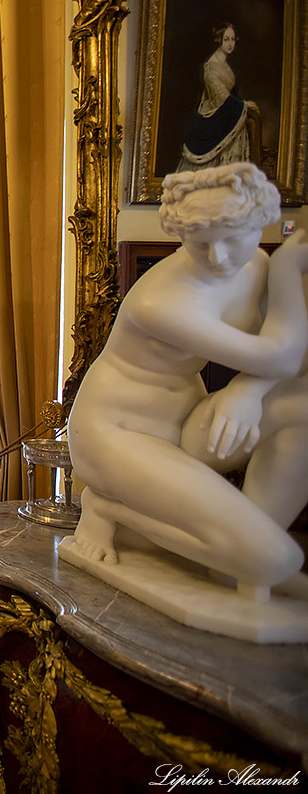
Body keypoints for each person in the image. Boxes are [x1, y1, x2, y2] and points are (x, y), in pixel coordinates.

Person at [66, 162, 308, 598]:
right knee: (279, 560)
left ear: (259, 223)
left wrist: (245, 391)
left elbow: (292, 363)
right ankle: (107, 507)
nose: (219, 258)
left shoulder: (254, 264)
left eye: (233, 238)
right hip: (115, 434)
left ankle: (240, 558)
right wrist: (289, 269)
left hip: (185, 421)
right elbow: (282, 356)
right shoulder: (163, 302)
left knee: (303, 406)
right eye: (200, 244)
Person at [176, 22, 260, 174]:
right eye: (226, 39)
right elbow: (222, 96)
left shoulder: (224, 63)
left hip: (226, 112)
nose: (230, 44)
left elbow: (231, 94)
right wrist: (244, 104)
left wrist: (241, 105)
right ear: (218, 40)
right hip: (214, 116)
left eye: (233, 39)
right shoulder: (211, 68)